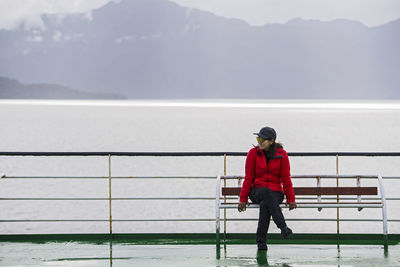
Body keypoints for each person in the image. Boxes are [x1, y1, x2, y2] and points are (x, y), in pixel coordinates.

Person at [238, 126, 297, 250]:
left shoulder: (282, 154)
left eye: (262, 139)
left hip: (276, 192)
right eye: (258, 138)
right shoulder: (252, 153)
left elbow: (285, 178)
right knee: (265, 192)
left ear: (271, 141)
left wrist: (291, 198)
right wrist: (243, 199)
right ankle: (283, 227)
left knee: (266, 204)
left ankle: (261, 243)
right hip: (256, 192)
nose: (259, 142)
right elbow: (248, 178)